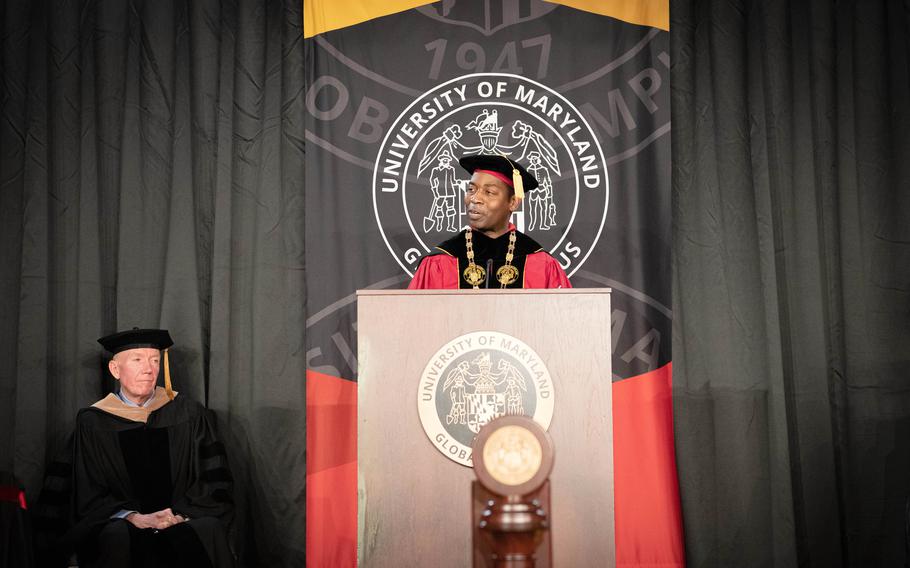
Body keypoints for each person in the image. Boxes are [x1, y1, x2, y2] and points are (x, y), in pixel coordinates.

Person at [65, 328, 234, 568]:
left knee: (209, 528)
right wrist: (133, 517)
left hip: (178, 518)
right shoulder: (93, 422)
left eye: (155, 360)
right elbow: (87, 491)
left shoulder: (188, 413)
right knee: (115, 536)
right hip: (123, 524)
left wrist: (178, 515)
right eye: (137, 360)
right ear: (115, 369)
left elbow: (211, 480)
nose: (148, 369)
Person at [408, 154, 571, 289]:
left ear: (513, 202)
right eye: (471, 189)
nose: (475, 198)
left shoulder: (542, 265)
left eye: (489, 192)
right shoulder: (438, 262)